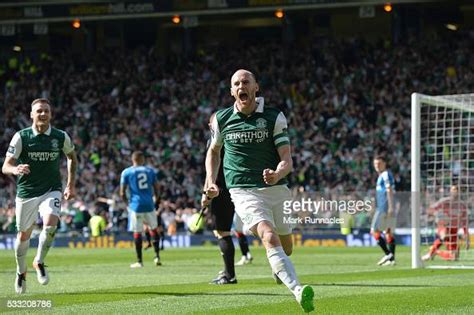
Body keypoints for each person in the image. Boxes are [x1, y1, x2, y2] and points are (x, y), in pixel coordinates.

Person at [204, 69, 314, 312]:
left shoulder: (274, 117)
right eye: (236, 83)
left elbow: (287, 159)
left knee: (286, 247)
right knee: (267, 235)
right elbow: (213, 151)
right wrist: (211, 180)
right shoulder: (221, 119)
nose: (241, 86)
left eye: (246, 82)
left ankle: (280, 269)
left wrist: (277, 173)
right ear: (232, 91)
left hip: (276, 189)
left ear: (256, 87)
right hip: (243, 190)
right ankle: (297, 290)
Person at [2, 98, 77, 294]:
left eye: (46, 111)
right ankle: (21, 272)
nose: (43, 114)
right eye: (39, 111)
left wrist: (70, 184)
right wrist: (16, 168)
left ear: (50, 114)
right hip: (27, 192)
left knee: (51, 224)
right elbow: (5, 165)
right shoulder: (21, 137)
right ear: (31, 114)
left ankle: (39, 261)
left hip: (52, 189)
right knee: (23, 236)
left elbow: (71, 157)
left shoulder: (60, 137)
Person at [202, 113, 253, 285]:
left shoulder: (214, 141)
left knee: (222, 232)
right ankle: (278, 268)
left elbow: (211, 168)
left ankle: (229, 275)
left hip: (221, 190)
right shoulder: (237, 137)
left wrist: (206, 194)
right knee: (261, 227)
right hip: (243, 186)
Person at [120, 151, 162, 268]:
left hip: (136, 205)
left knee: (137, 232)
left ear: (133, 160)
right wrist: (157, 201)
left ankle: (139, 261)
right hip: (149, 204)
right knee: (153, 229)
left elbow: (122, 192)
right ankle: (157, 256)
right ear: (142, 159)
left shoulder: (127, 172)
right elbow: (157, 188)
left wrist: (127, 204)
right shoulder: (150, 171)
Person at [422, 185, 470, 261]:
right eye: (453, 190)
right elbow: (431, 209)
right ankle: (429, 254)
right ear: (450, 192)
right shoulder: (444, 201)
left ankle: (436, 251)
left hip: (454, 231)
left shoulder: (462, 206)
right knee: (444, 235)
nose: (455, 192)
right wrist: (438, 215)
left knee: (454, 257)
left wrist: (467, 239)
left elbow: (465, 223)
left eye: (457, 190)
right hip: (444, 225)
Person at [371, 155, 396, 266]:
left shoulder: (385, 174)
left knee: (374, 231)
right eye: (375, 164)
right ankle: (392, 260)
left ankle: (388, 254)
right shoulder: (383, 175)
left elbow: (389, 190)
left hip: (384, 207)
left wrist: (390, 206)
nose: (377, 166)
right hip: (383, 206)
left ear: (384, 163)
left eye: (379, 163)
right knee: (388, 232)